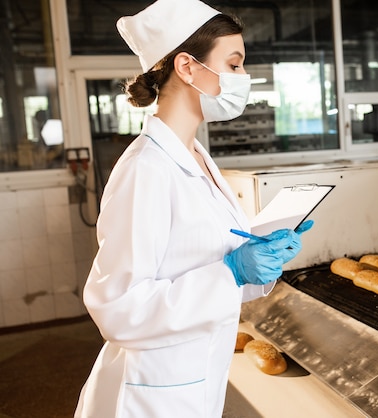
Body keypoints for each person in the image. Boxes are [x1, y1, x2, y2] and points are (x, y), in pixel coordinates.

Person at [74, 0, 313, 416]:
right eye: (234, 64)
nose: (243, 78)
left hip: (195, 379)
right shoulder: (145, 169)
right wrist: (232, 270)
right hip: (152, 393)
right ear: (187, 67)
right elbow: (117, 308)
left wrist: (260, 260)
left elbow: (204, 260)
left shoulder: (195, 156)